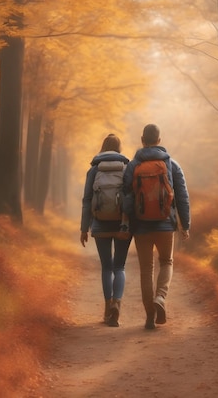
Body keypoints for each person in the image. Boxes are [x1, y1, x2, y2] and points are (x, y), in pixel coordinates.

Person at [123, 124, 190, 330]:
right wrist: (185, 224)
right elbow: (182, 197)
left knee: (146, 270)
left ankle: (150, 317)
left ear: (142, 140)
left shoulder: (133, 165)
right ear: (159, 140)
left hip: (141, 226)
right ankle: (160, 297)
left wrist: (129, 221)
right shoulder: (172, 165)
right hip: (165, 225)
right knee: (166, 262)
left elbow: (126, 198)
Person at [80, 133, 132, 327]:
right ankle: (117, 303)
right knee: (120, 267)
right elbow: (130, 197)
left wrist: (84, 228)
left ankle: (107, 307)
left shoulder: (94, 170)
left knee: (106, 267)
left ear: (103, 147)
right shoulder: (127, 168)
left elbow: (86, 200)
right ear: (119, 148)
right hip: (122, 224)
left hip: (100, 224)